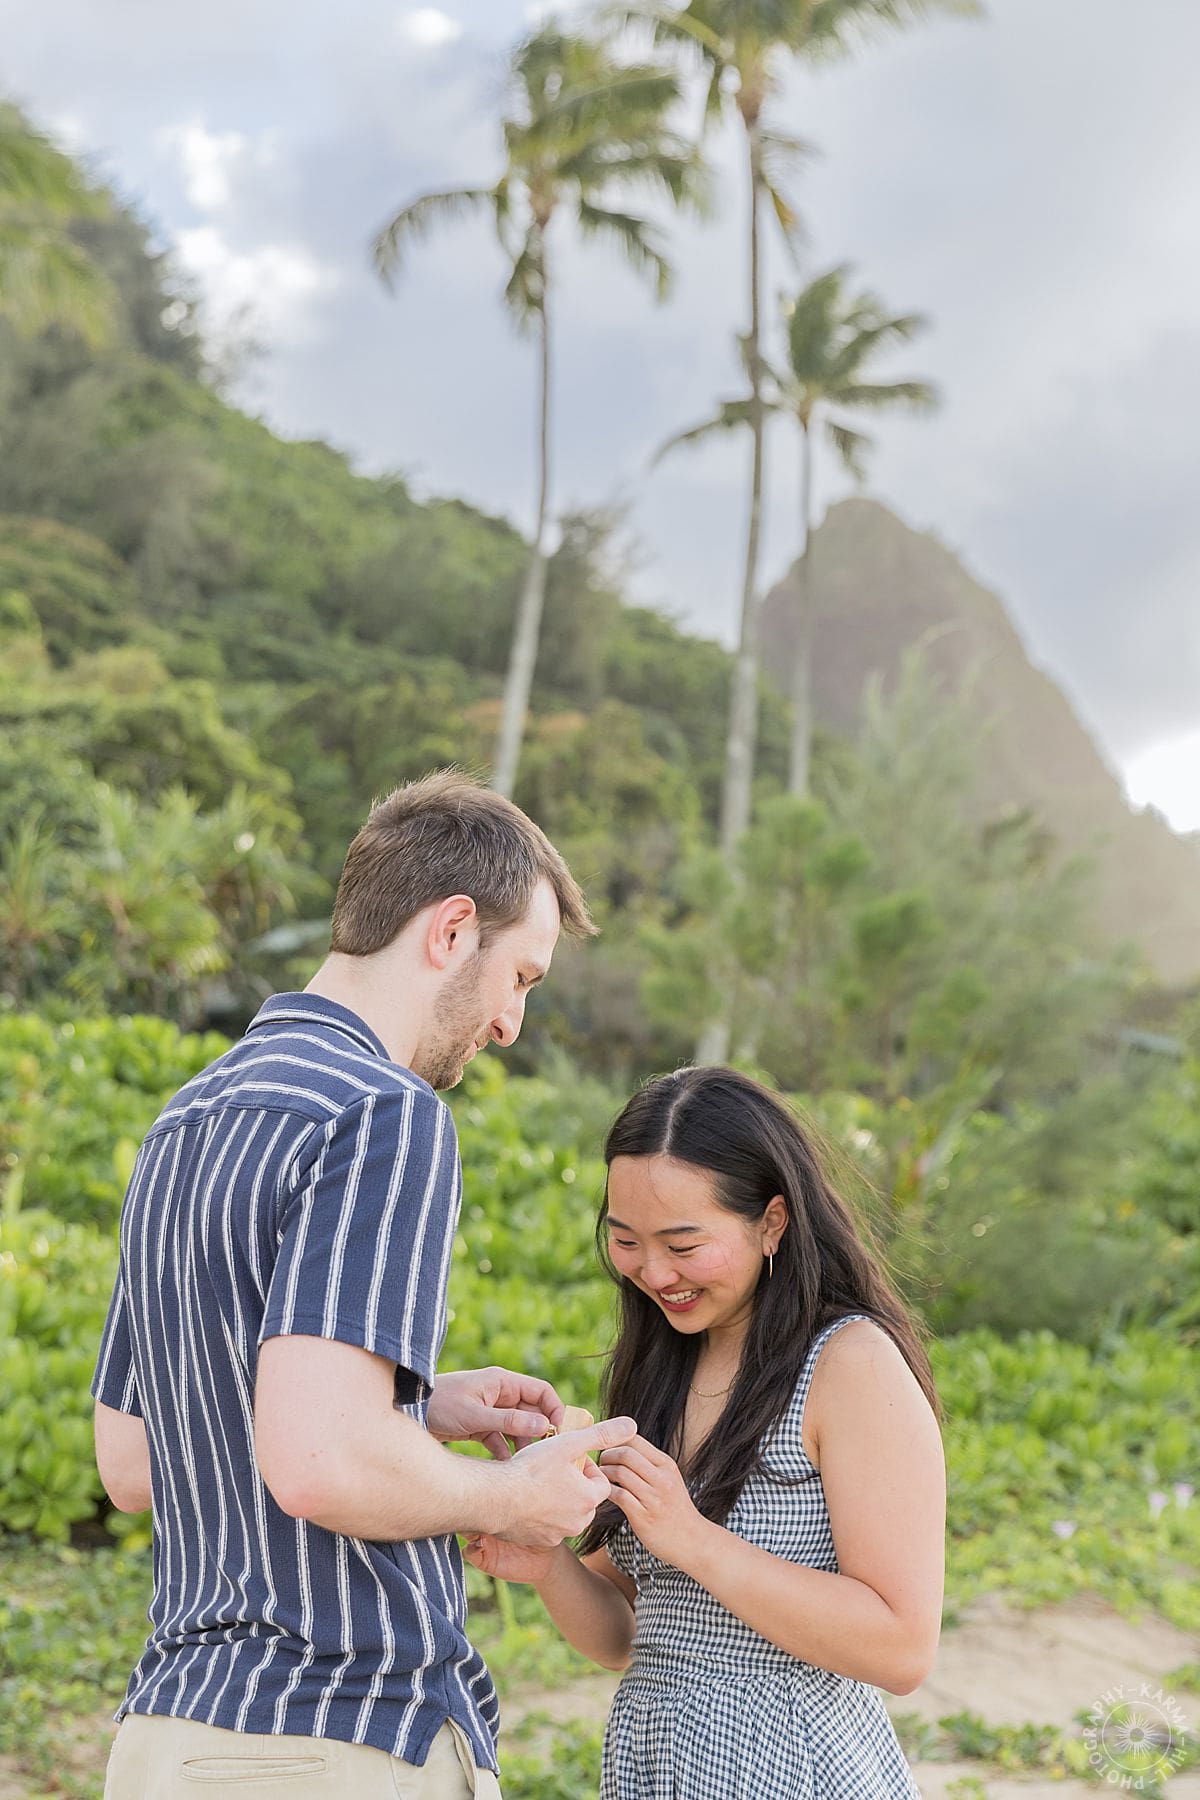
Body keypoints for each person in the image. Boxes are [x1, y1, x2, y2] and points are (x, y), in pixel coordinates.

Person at [91, 770, 636, 1800]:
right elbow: (317, 1463)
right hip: (335, 1740)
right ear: (450, 929)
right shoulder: (384, 1111)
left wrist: (408, 1400)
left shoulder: (186, 1118)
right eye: (520, 976)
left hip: (170, 1740)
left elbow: (134, 1460)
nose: (513, 1023)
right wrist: (514, 1498)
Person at [465, 1065, 946, 1799]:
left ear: (772, 1222)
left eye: (683, 1246)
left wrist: (692, 1538)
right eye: (626, 1241)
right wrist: (546, 1562)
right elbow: (625, 1636)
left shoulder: (850, 1365)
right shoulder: (663, 1361)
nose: (654, 1273)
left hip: (796, 1770)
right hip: (659, 1766)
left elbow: (902, 1647)